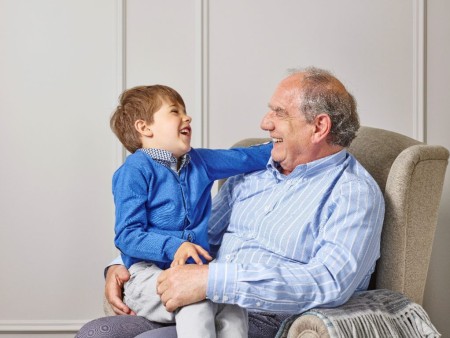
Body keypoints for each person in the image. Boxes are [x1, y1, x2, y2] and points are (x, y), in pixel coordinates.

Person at [76, 67, 385, 338]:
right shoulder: (253, 175)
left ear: (319, 127)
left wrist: (213, 281)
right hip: (200, 293)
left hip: (262, 315)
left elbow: (330, 281)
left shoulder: (352, 193)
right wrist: (122, 264)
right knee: (96, 333)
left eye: (279, 113)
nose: (265, 123)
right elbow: (201, 236)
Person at [106, 84, 272, 338]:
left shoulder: (200, 162)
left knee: (232, 301)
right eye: (175, 111)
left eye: (185, 111)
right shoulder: (134, 171)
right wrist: (175, 247)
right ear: (144, 127)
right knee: (196, 300)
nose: (187, 117)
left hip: (195, 270)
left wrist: (285, 144)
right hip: (147, 275)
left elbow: (243, 158)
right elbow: (127, 235)